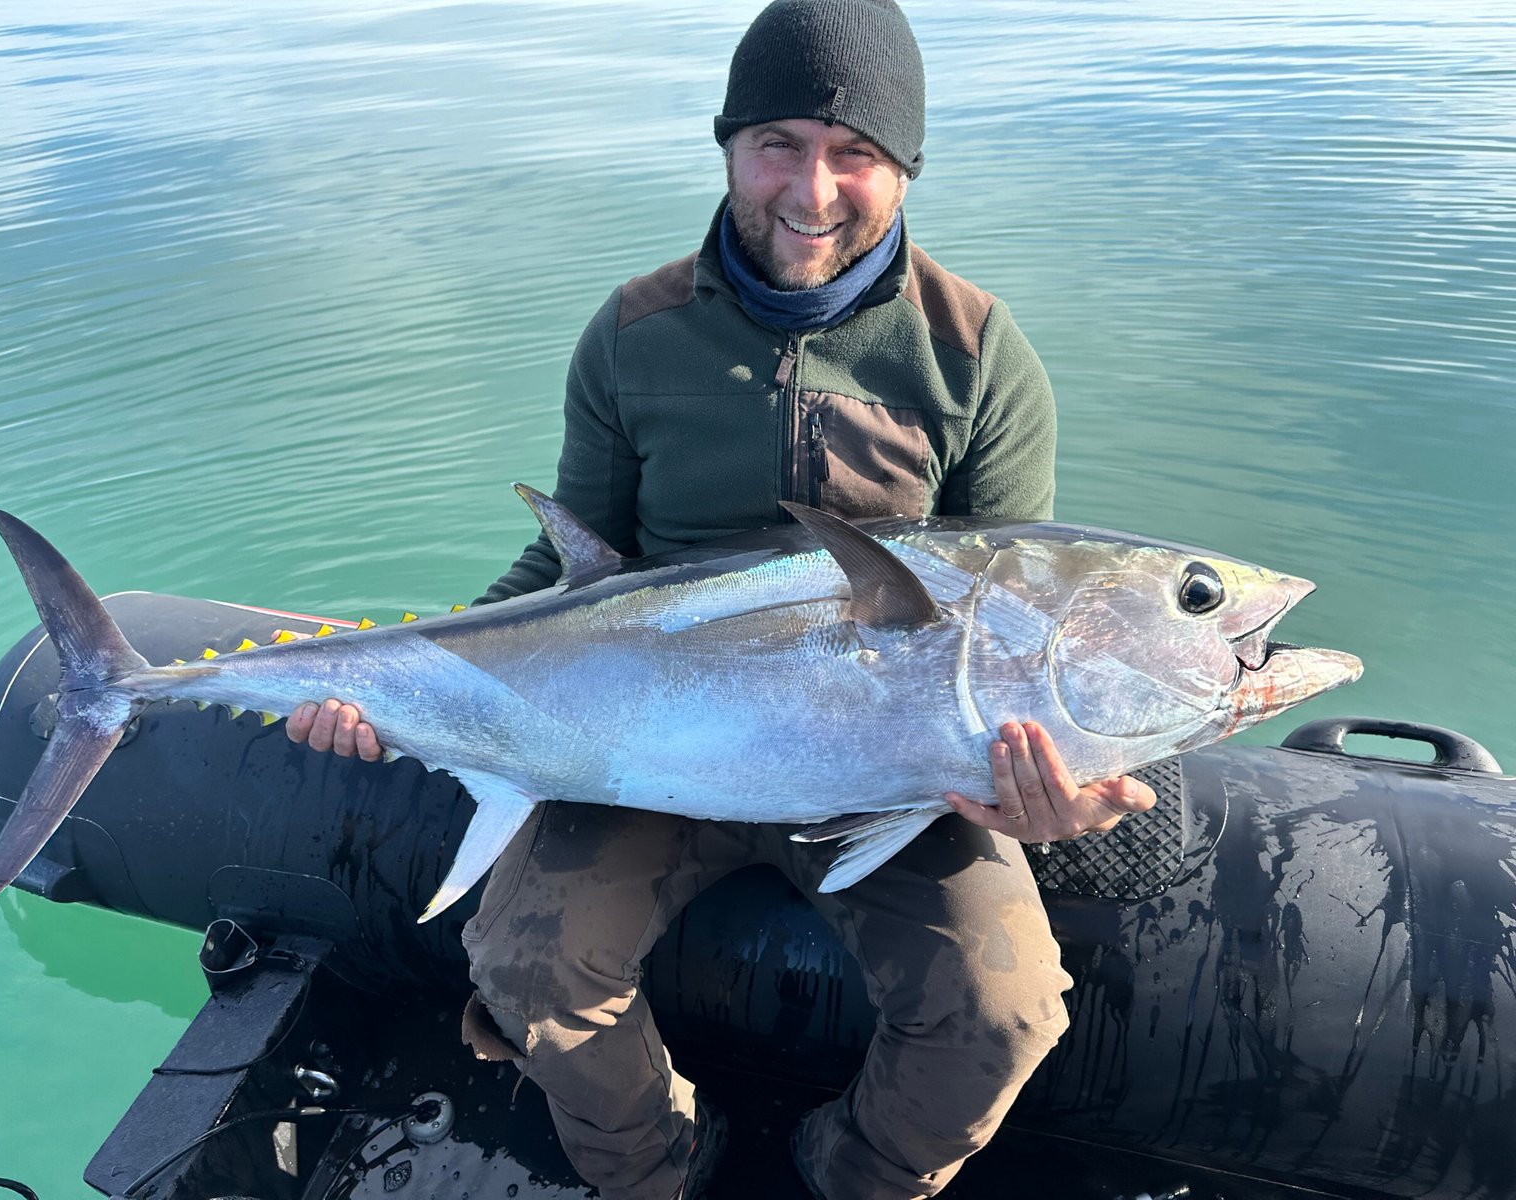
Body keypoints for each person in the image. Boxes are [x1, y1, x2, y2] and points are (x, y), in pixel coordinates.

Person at [288, 2, 1157, 1196]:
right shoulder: (636, 334)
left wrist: (1051, 792)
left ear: (905, 168)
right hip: (649, 746)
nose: (812, 190)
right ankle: (659, 1173)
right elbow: (567, 567)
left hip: (892, 769)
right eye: (776, 146)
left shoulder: (975, 354)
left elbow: (1015, 608)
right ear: (727, 145)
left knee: (1001, 1013)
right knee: (529, 971)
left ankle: (845, 1177)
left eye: (855, 154)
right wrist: (393, 681)